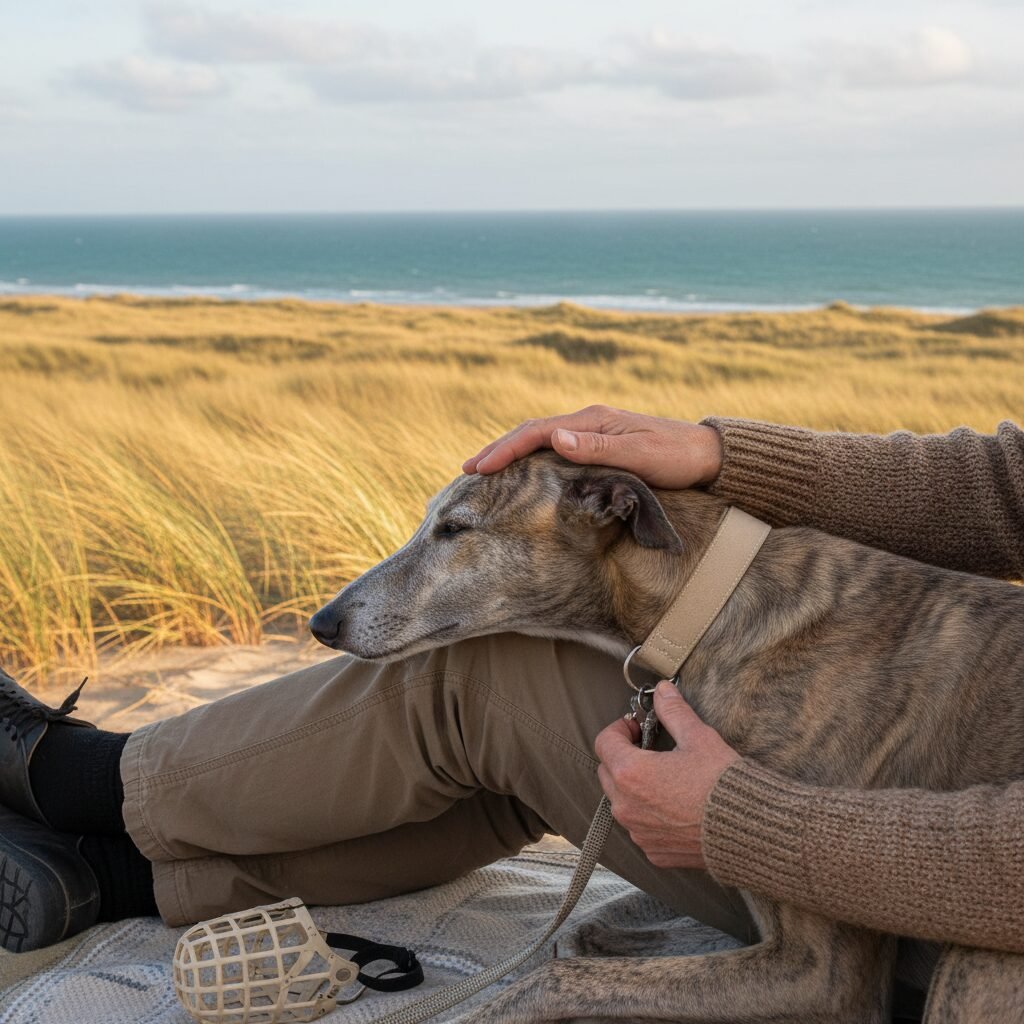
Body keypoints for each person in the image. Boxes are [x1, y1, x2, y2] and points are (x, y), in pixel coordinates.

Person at [1, 407, 1021, 1023]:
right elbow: (1006, 486)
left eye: (453, 537)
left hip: (963, 911)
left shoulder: (836, 683)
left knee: (494, 686)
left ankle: (59, 778)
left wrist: (738, 822)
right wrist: (719, 453)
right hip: (927, 844)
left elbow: (828, 988)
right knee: (496, 681)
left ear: (613, 516)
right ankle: (103, 865)